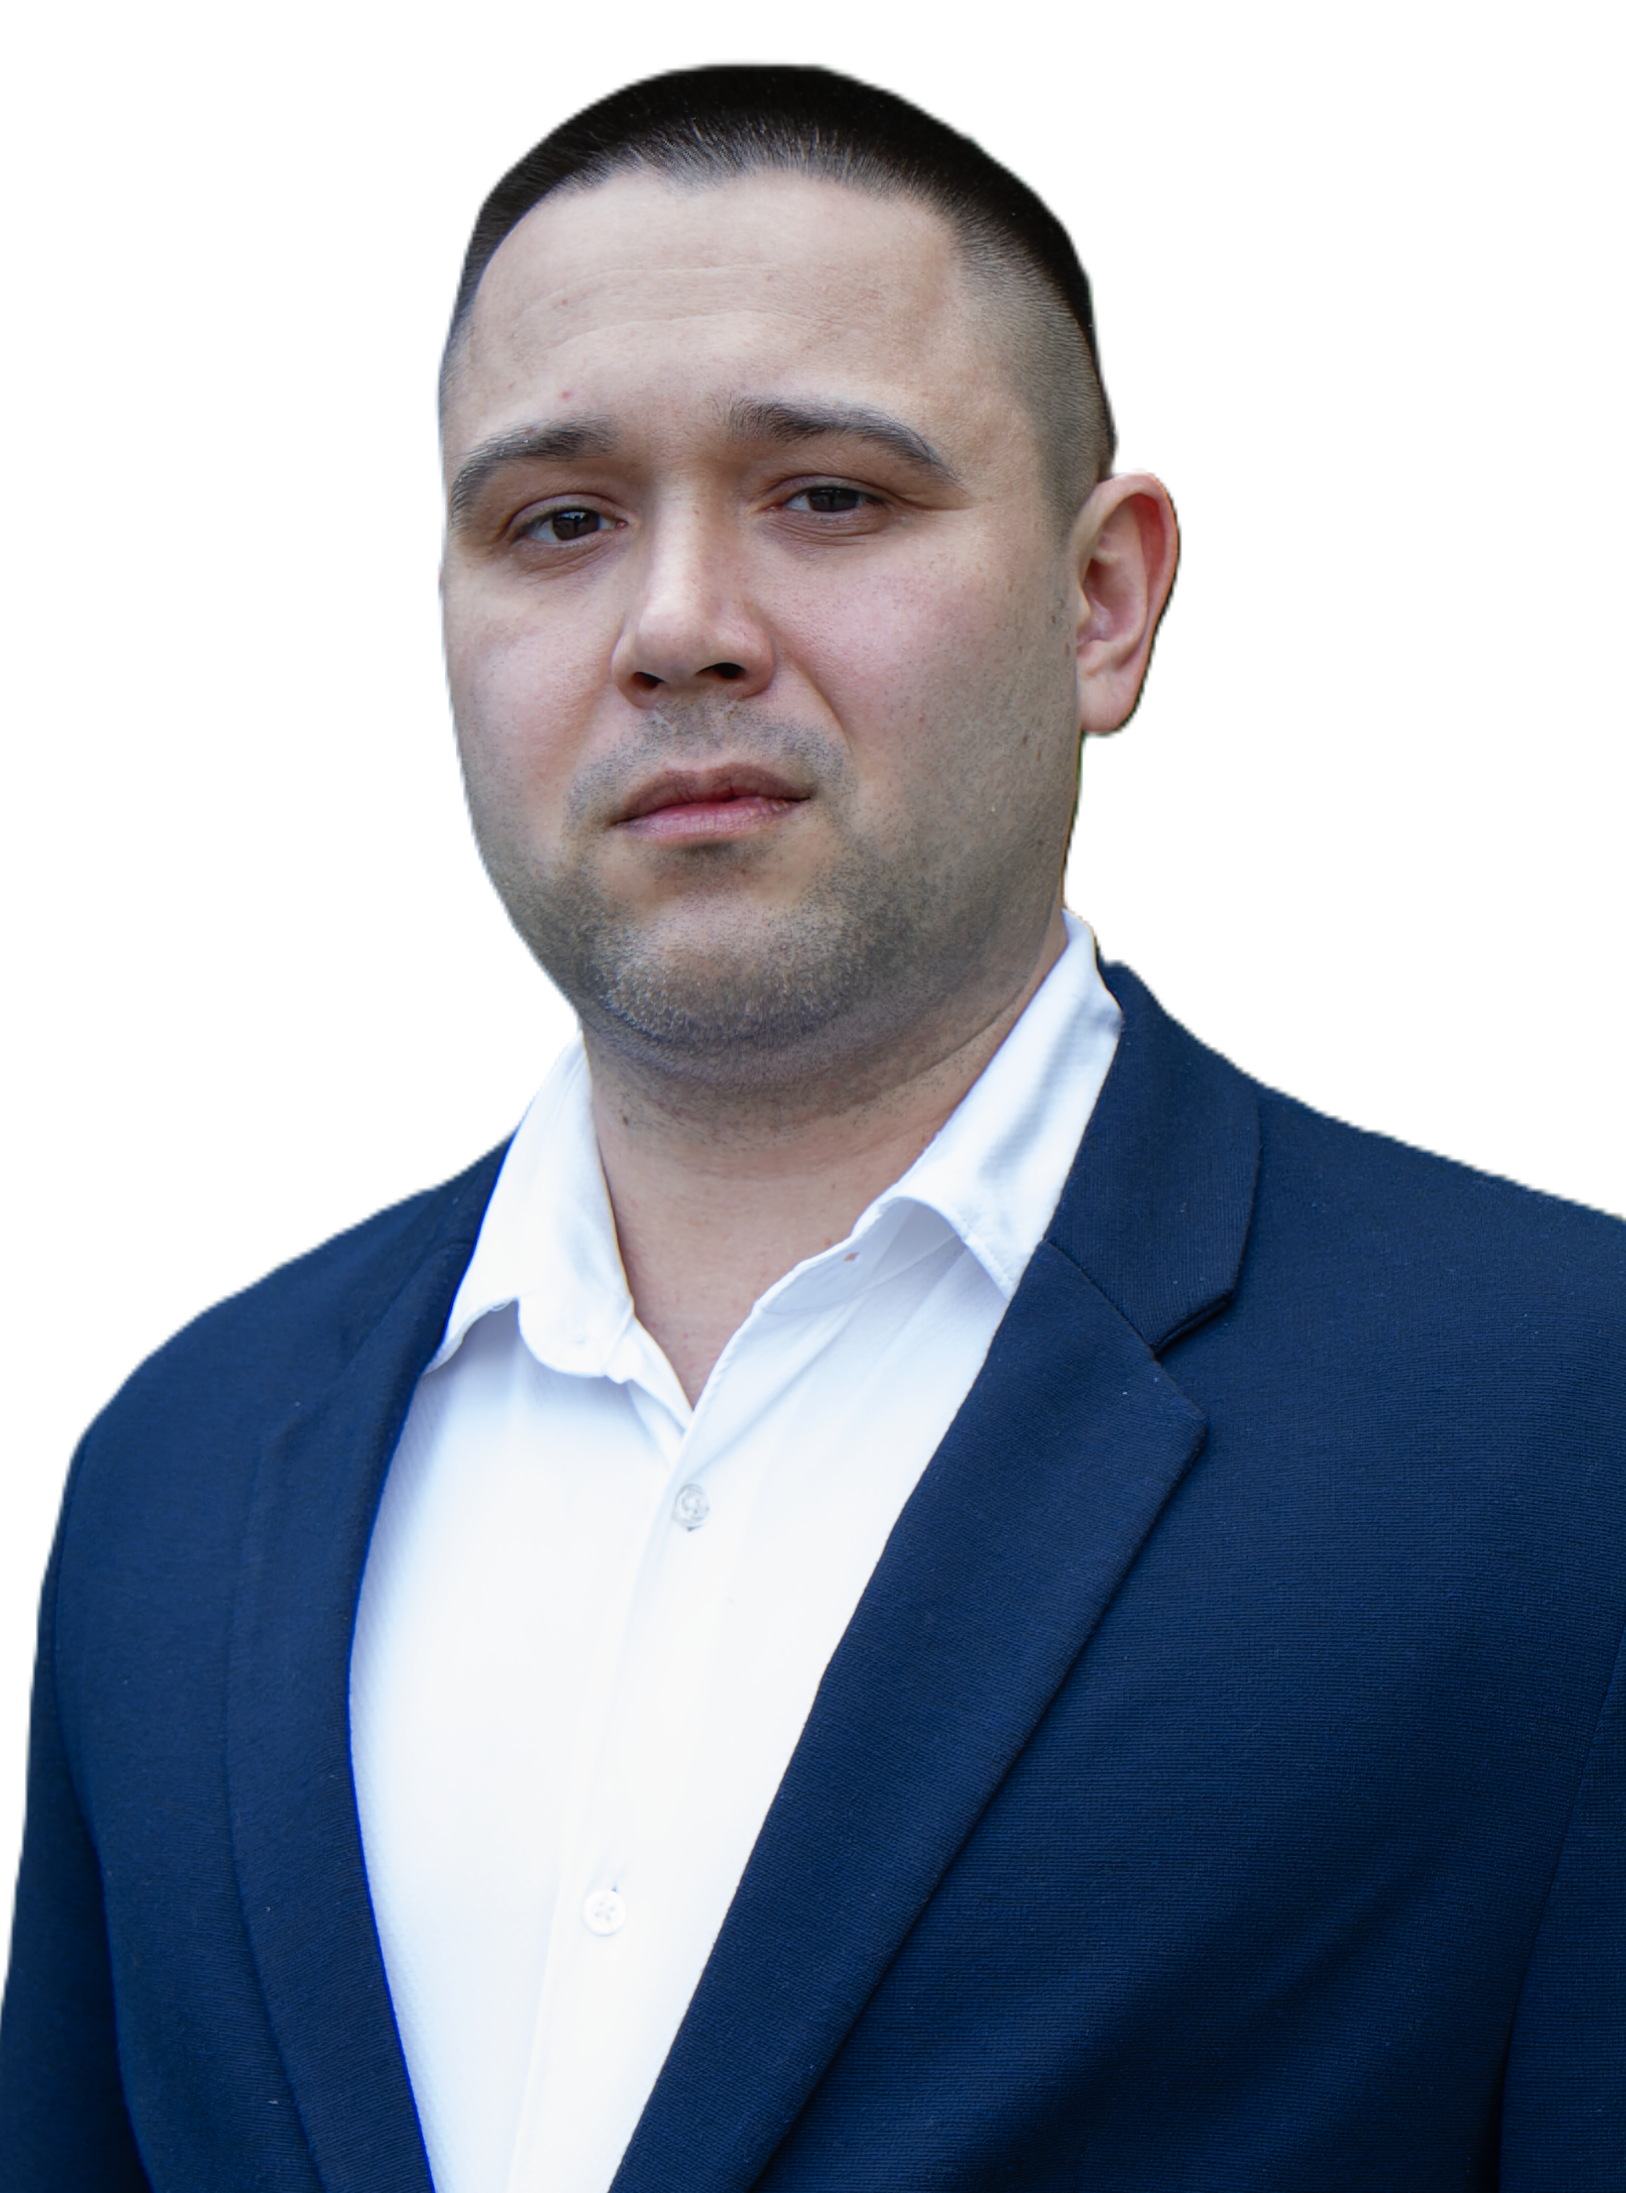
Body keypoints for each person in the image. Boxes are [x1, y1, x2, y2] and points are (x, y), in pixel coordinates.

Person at [3, 57, 1626, 2193]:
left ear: (1103, 601)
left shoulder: (1562, 1430)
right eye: (557, 521)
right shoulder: (186, 1474)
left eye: (830, 496)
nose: (678, 626)